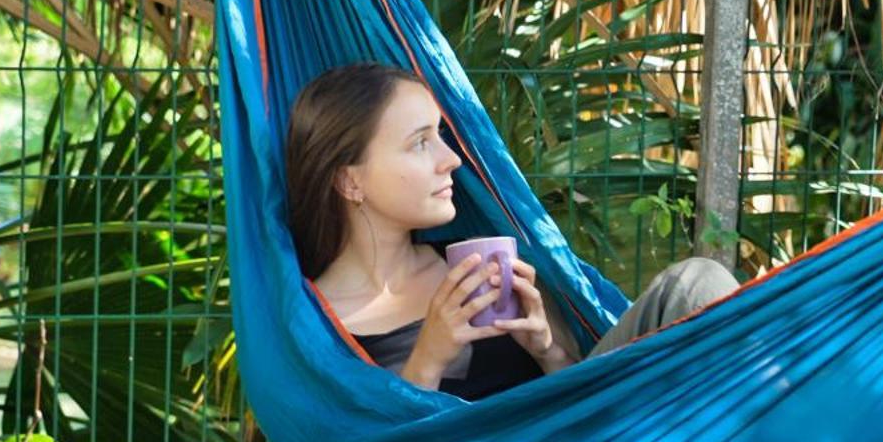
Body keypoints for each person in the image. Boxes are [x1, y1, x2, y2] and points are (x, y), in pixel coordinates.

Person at [284, 61, 741, 400]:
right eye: (420, 143)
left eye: (441, 136)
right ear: (350, 180)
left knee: (697, 285)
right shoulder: (317, 328)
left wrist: (546, 348)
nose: (451, 159)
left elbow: (575, 400)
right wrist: (429, 358)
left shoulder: (478, 266)